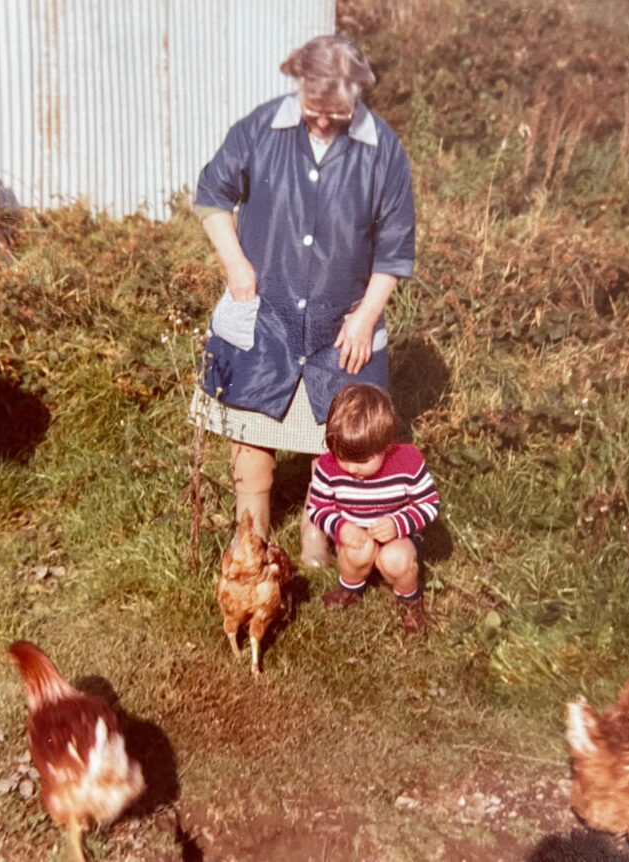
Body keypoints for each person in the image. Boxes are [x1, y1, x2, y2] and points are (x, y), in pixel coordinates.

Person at [192, 34, 416, 567]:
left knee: (332, 443)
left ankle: (318, 549)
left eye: (335, 113)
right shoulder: (261, 129)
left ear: (356, 95)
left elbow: (395, 247)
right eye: (313, 108)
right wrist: (237, 266)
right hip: (264, 317)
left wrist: (366, 317)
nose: (321, 121)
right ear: (300, 86)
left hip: (341, 327)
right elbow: (211, 196)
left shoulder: (383, 149)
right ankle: (249, 547)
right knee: (251, 442)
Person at [307, 384, 439, 634]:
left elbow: (429, 504)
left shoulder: (407, 461)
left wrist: (399, 524)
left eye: (362, 461)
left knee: (396, 560)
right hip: (355, 534)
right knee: (355, 553)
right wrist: (340, 527)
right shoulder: (328, 466)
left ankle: (409, 599)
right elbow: (317, 507)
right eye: (343, 458)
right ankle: (350, 587)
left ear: (386, 446)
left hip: (398, 537)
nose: (352, 468)